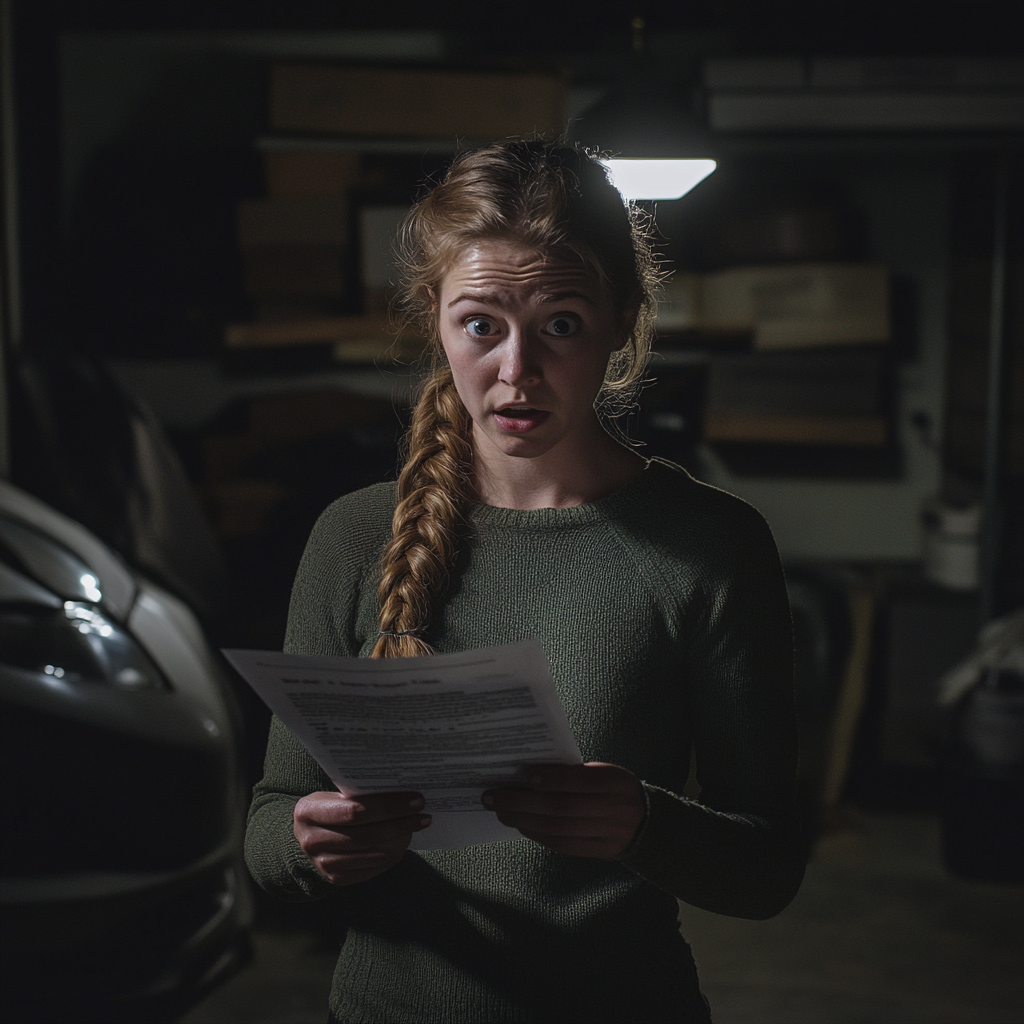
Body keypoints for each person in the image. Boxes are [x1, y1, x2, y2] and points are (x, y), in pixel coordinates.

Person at [245, 140, 804, 1024]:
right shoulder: (354, 535)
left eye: (561, 323)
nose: (516, 371)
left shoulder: (713, 545)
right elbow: (269, 829)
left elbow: (770, 868)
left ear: (623, 318)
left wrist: (643, 825)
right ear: (435, 317)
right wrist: (315, 843)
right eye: (481, 324)